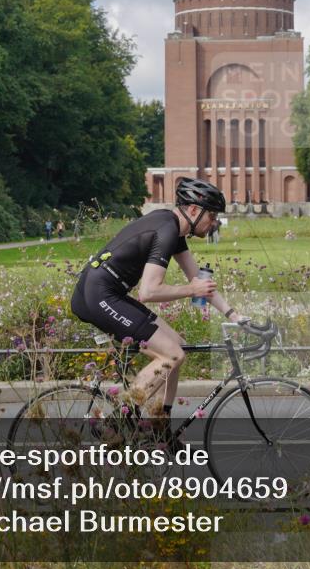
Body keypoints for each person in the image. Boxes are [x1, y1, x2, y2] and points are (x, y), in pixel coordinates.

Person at [70, 178, 245, 429]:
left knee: (177, 346)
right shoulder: (166, 231)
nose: (214, 222)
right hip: (98, 295)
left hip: (108, 292)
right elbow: (149, 291)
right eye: (212, 215)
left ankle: (159, 424)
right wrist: (190, 290)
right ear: (194, 210)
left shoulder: (174, 229)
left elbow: (199, 281)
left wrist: (236, 316)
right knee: (171, 354)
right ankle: (118, 422)